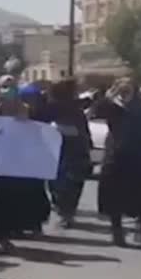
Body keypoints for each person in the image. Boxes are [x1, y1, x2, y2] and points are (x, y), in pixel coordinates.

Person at [0, 75, 51, 255]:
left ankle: (16, 229)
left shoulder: (24, 108)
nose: (7, 90)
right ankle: (0, 238)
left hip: (16, 163)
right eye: (4, 86)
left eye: (11, 86)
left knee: (14, 198)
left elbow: (35, 130)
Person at [93, 78, 141, 247]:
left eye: (127, 88)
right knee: (114, 195)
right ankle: (117, 231)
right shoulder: (111, 105)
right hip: (116, 155)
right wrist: (110, 95)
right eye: (121, 89)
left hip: (139, 156)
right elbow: (96, 111)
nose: (124, 92)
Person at [48, 78, 92, 228]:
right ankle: (63, 213)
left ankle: (68, 214)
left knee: (73, 185)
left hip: (74, 153)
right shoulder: (52, 108)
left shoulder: (76, 110)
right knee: (57, 186)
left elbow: (81, 132)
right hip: (57, 153)